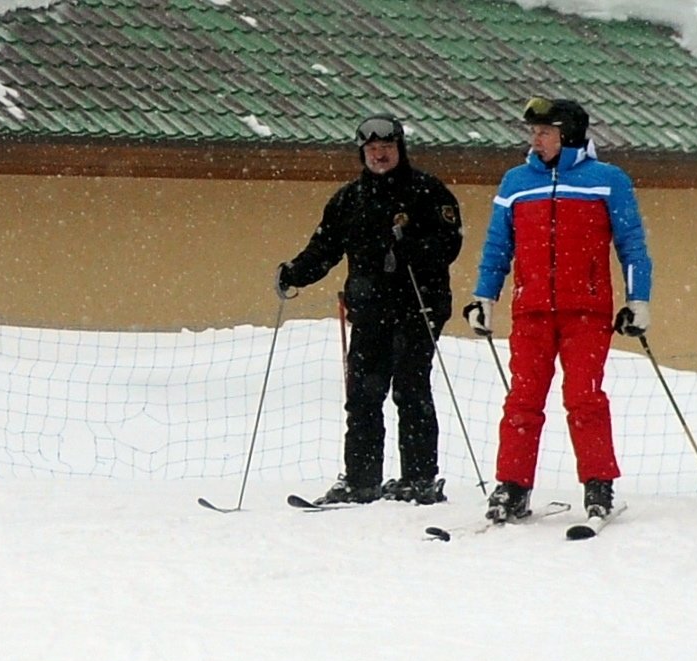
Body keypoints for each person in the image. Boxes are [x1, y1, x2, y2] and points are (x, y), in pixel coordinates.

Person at [464, 96, 652, 523]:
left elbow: (632, 245)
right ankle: (511, 486)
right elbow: (498, 246)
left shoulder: (607, 180)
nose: (536, 139)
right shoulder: (515, 182)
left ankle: (598, 484)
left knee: (583, 397)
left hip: (586, 311)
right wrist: (484, 297)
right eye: (533, 132)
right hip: (530, 310)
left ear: (567, 134)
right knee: (523, 400)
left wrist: (637, 300)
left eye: (544, 132)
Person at [276, 112, 463, 505]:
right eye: (372, 149)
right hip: (369, 309)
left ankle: (418, 479)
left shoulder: (428, 192)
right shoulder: (349, 199)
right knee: (363, 394)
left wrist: (412, 244)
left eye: (386, 148)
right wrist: (295, 273)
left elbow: (449, 245)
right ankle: (361, 480)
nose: (379, 155)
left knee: (411, 390)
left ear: (400, 150)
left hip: (419, 307)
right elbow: (324, 248)